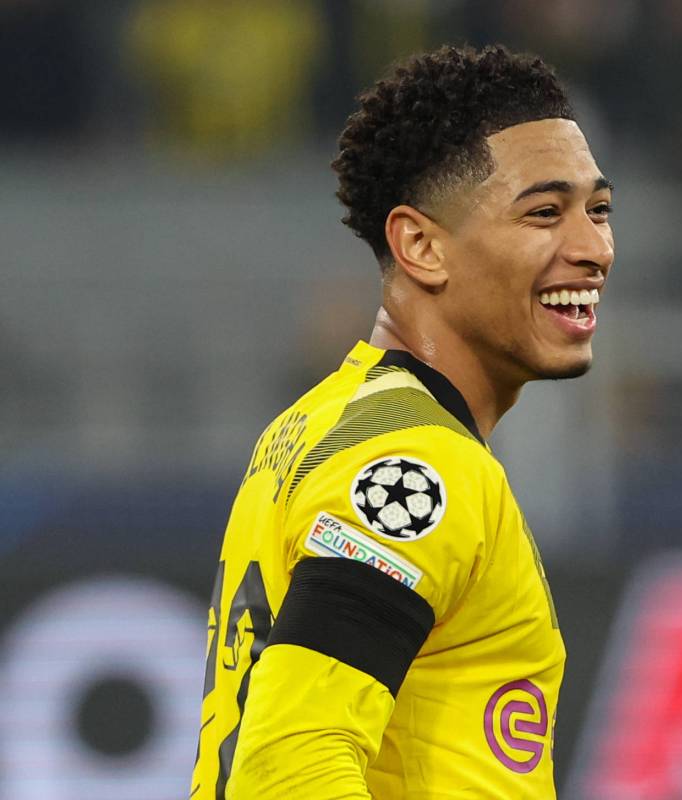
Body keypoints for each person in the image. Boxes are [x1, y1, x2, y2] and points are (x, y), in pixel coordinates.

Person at [191, 44, 614, 798]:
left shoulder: (324, 421)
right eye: (545, 213)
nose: (593, 249)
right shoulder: (419, 466)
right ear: (420, 246)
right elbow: (287, 771)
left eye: (599, 210)